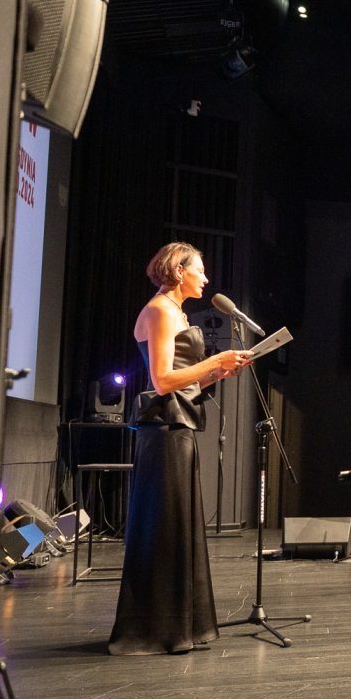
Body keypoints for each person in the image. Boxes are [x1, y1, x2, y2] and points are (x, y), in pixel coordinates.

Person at [109, 242, 252, 655]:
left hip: (180, 426)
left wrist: (218, 373)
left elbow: (187, 384)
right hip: (163, 431)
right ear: (178, 269)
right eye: (200, 270)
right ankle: (156, 630)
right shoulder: (158, 310)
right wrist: (215, 359)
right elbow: (162, 381)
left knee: (180, 527)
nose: (206, 278)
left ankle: (183, 627)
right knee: (165, 529)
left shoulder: (177, 313)